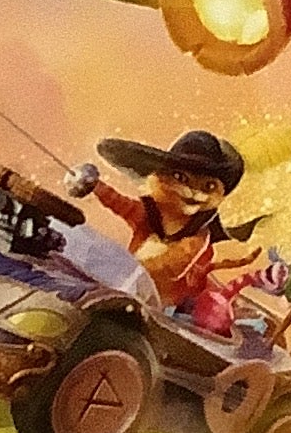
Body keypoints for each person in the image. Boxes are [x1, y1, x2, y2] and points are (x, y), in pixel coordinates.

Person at [66, 129, 262, 334]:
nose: (194, 192)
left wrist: (128, 270)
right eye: (180, 177)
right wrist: (96, 186)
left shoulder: (197, 239)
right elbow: (121, 204)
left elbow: (169, 265)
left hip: (161, 307)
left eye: (208, 186)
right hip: (124, 288)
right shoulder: (151, 215)